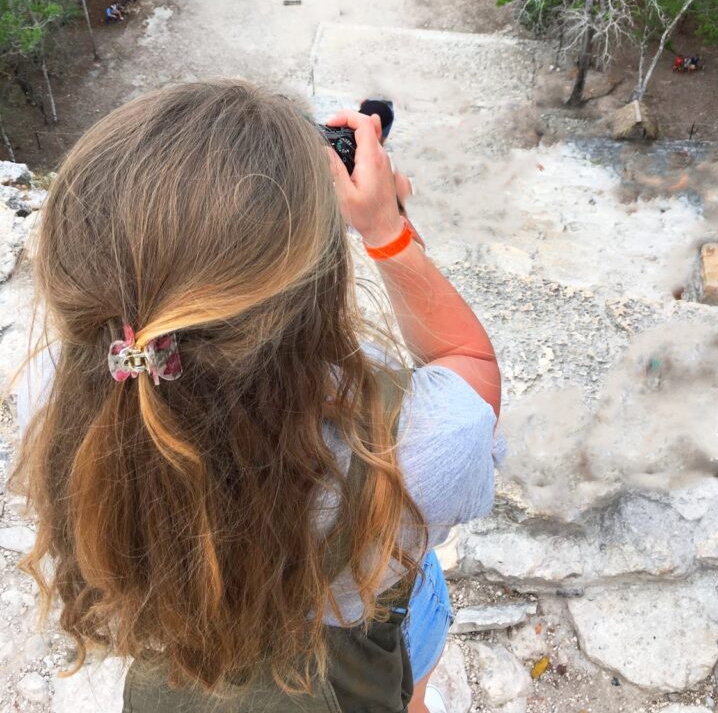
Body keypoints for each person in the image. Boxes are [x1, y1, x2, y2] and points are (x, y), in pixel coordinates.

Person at [11, 81, 501, 713]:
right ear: (321, 287)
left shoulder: (53, 395)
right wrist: (387, 231)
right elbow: (469, 362)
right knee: (412, 644)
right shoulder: (413, 440)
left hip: (189, 640)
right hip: (348, 653)